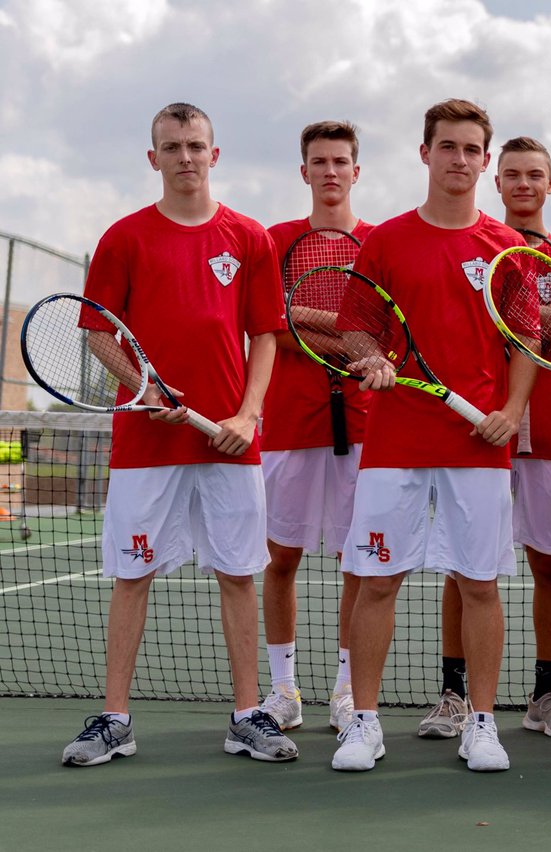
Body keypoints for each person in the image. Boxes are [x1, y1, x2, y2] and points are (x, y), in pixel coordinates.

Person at [62, 103, 295, 766]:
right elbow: (98, 333)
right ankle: (115, 718)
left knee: (238, 574)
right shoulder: (124, 238)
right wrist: (145, 388)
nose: (185, 156)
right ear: (153, 158)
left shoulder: (249, 237)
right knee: (133, 576)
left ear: (214, 154)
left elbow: (266, 337)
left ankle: (248, 714)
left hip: (229, 442)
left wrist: (247, 416)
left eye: (196, 145)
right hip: (147, 445)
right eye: (172, 146)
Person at [330, 99, 535, 773]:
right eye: (447, 146)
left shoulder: (507, 249)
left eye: (471, 148)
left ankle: (482, 724)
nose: (459, 159)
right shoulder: (386, 241)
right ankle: (363, 724)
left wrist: (511, 407)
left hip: (479, 446)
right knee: (376, 580)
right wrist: (374, 357)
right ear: (426, 154)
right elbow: (355, 325)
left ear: (485, 158)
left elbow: (527, 340)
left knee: (479, 584)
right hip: (396, 444)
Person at [260, 121, 374, 734]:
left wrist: (303, 316)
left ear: (357, 171)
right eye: (318, 161)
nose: (330, 171)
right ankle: (283, 689)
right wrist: (343, 329)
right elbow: (271, 326)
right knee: (282, 558)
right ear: (303, 171)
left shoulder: (382, 243)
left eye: (340, 161)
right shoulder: (274, 239)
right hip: (289, 424)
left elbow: (383, 331)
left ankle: (347, 688)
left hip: (365, 422)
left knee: (358, 561)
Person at [491, 135, 551, 738]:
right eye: (512, 175)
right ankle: (455, 696)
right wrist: (539, 321)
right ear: (495, 183)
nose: (524, 185)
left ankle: (544, 697)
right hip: (482, 429)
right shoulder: (475, 247)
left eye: (535, 175)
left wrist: (524, 316)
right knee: (466, 570)